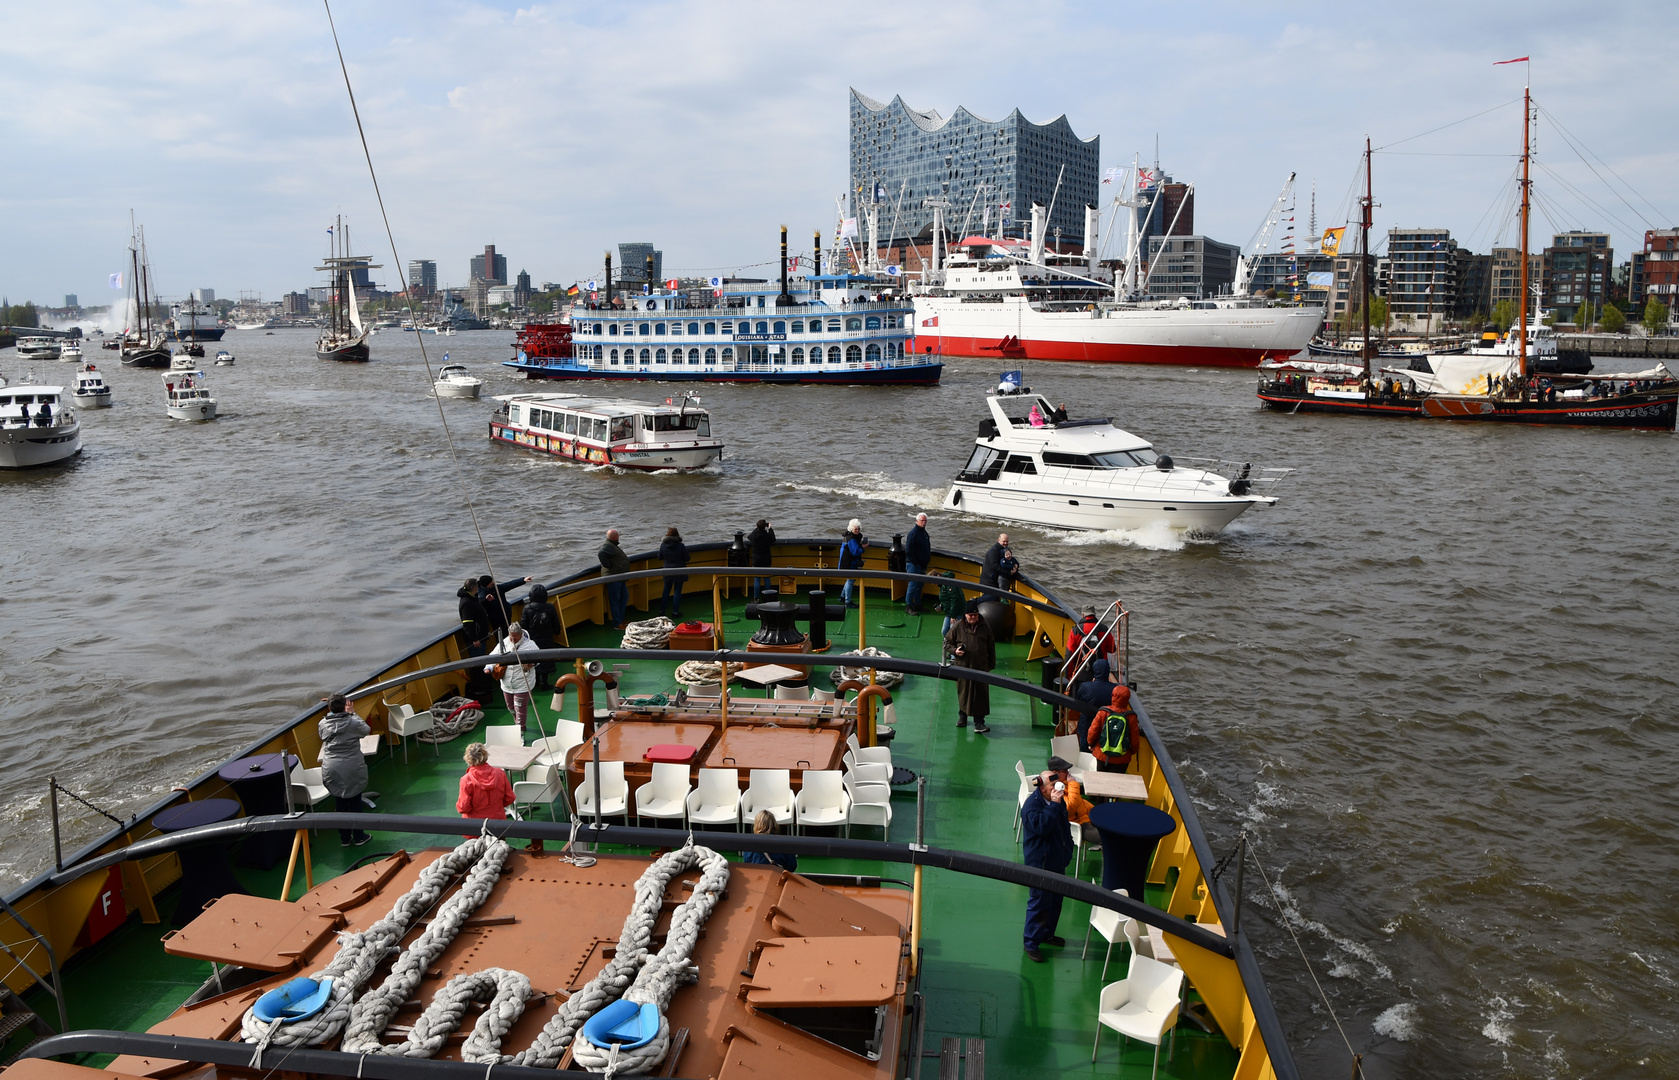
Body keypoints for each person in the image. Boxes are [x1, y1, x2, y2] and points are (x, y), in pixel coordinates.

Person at [1020, 770, 1075, 962]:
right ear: (1042, 788)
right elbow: (1043, 827)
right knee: (1039, 902)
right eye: (1053, 786)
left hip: (1056, 860)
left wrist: (1068, 851)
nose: (1057, 789)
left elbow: (1063, 826)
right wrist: (1053, 805)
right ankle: (1031, 943)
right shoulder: (1031, 808)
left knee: (1055, 901)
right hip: (1040, 864)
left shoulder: (1056, 803)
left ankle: (1047, 933)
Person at [318, 693, 371, 847]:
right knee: (355, 801)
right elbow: (366, 730)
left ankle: (345, 838)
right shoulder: (353, 722)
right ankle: (359, 836)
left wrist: (332, 708)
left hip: (332, 767)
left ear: (329, 708)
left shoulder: (322, 723)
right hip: (351, 766)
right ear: (345, 706)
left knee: (340, 802)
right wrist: (352, 713)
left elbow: (323, 735)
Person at [944, 599, 995, 733]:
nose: (973, 617)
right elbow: (947, 643)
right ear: (965, 615)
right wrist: (955, 651)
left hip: (981, 666)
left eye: (975, 615)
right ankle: (963, 717)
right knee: (964, 692)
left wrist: (991, 664)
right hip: (963, 666)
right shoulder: (958, 627)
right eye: (970, 615)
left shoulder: (985, 627)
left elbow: (991, 647)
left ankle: (979, 722)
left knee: (981, 694)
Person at [484, 622, 539, 734]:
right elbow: (493, 655)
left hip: (523, 682)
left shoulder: (531, 645)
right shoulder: (504, 643)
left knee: (520, 708)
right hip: (507, 683)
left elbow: (539, 659)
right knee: (511, 707)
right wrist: (489, 667)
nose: (513, 638)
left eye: (515, 636)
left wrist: (531, 664)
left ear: (520, 634)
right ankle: (517, 724)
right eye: (511, 636)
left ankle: (521, 730)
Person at [1047, 754, 1098, 849]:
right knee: (1107, 838)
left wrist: (1094, 811)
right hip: (1076, 825)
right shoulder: (1054, 789)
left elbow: (1079, 801)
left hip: (1084, 817)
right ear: (1055, 772)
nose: (1068, 773)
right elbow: (1070, 806)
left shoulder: (1063, 783)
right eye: (1064, 771)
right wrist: (1073, 784)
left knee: (1109, 825)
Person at [456, 742, 514, 823]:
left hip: (474, 824)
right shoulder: (500, 773)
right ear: (485, 755)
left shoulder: (466, 780)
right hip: (498, 822)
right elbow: (509, 798)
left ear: (468, 759)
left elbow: (463, 807)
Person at [1087, 685, 1140, 774]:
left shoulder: (1103, 712)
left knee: (1100, 779)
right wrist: (1132, 751)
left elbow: (1093, 731)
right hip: (1122, 757)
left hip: (1102, 754)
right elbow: (1134, 739)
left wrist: (1091, 744)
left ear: (1113, 696)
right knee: (1116, 784)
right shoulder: (1131, 716)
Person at [1072, 658, 1119, 753]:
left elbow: (1078, 701)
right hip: (1106, 728)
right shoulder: (1115, 689)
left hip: (1086, 727)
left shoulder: (1085, 687)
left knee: (1084, 752)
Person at [520, 582, 561, 690]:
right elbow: (556, 624)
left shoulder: (527, 608)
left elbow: (523, 626)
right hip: (547, 638)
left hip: (533, 639)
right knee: (546, 658)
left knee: (535, 659)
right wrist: (557, 632)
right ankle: (544, 682)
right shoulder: (550, 607)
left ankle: (536, 681)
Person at [598, 529, 631, 628]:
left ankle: (620, 619)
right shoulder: (608, 546)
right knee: (615, 600)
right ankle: (617, 623)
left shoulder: (612, 545)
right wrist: (608, 565)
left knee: (624, 597)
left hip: (619, 577)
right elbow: (601, 554)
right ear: (615, 537)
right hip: (613, 578)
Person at [657, 527, 689, 618]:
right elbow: (687, 558)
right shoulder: (680, 546)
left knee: (666, 591)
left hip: (667, 572)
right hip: (679, 572)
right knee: (677, 592)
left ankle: (662, 611)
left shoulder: (663, 545)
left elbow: (660, 557)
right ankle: (675, 612)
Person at [457, 578, 493, 656]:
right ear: (475, 588)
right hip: (476, 638)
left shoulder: (472, 598)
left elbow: (476, 607)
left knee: (482, 657)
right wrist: (474, 639)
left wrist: (485, 600)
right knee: (478, 660)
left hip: (480, 635)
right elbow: (467, 623)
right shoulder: (467, 602)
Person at [838, 519, 867, 608]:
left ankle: (842, 597)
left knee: (849, 580)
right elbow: (855, 551)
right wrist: (863, 548)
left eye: (858, 529)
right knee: (850, 580)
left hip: (848, 562)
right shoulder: (851, 539)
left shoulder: (850, 537)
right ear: (851, 529)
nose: (857, 531)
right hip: (847, 563)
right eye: (855, 529)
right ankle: (848, 602)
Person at [747, 519, 775, 598]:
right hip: (766, 559)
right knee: (766, 578)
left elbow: (749, 536)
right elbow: (773, 538)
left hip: (756, 560)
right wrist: (770, 528)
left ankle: (756, 597)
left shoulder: (754, 536)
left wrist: (758, 528)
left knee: (757, 579)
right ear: (764, 527)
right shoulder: (767, 536)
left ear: (757, 527)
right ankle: (768, 596)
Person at [937, 571, 966, 635]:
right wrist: (941, 606)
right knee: (944, 631)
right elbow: (946, 600)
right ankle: (947, 643)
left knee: (953, 632)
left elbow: (955, 600)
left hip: (957, 612)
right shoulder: (943, 586)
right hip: (949, 612)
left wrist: (953, 616)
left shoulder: (950, 585)